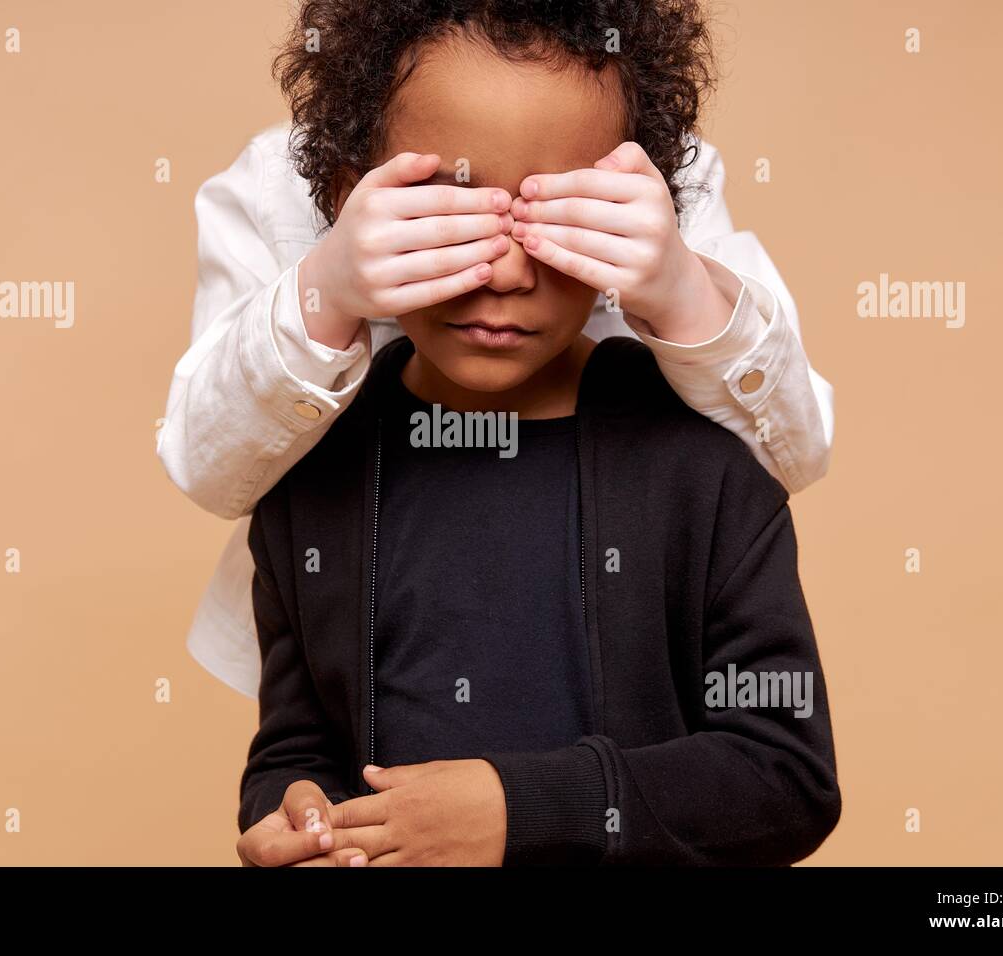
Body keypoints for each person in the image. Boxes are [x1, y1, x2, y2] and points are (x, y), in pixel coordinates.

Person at [230, 0, 840, 867]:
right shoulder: (311, 467)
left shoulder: (700, 465)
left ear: (637, 214)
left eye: (554, 214)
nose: (507, 272)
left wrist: (525, 810)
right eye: (453, 210)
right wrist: (297, 815)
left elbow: (785, 778)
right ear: (350, 198)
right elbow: (295, 752)